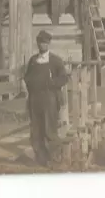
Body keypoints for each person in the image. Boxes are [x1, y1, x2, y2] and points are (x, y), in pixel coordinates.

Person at [23, 30, 68, 168]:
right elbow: (27, 77)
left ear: (48, 44)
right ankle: (41, 159)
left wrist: (51, 83)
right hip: (35, 100)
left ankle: (55, 159)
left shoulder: (55, 61)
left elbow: (64, 78)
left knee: (50, 130)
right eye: (40, 42)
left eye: (45, 43)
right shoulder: (32, 60)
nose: (42, 45)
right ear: (37, 43)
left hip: (50, 100)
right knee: (36, 131)